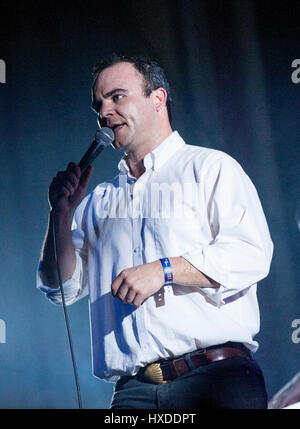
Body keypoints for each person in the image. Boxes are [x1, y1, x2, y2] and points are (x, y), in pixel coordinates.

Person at [37, 54, 273, 409]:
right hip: (134, 392)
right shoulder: (99, 200)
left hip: (214, 379)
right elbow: (60, 287)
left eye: (117, 97)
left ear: (158, 99)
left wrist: (164, 269)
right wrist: (60, 213)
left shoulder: (210, 168)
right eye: (98, 104)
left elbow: (251, 253)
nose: (104, 112)